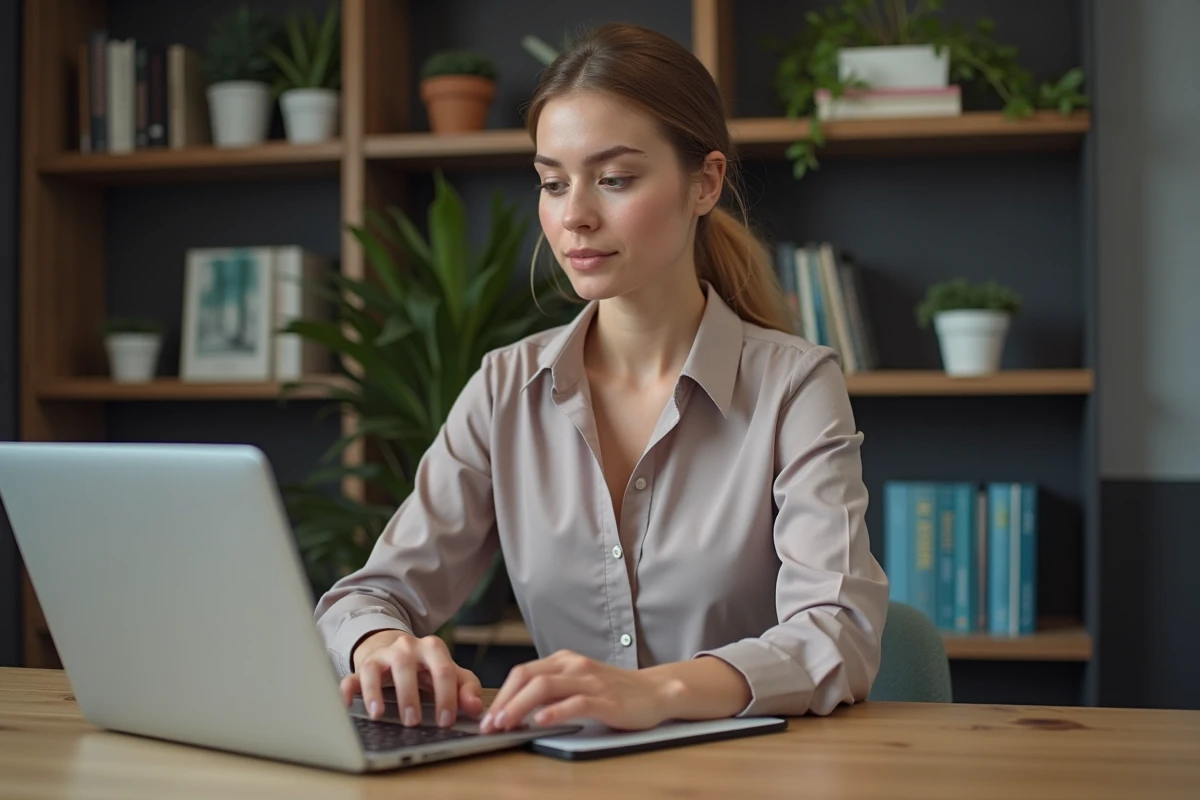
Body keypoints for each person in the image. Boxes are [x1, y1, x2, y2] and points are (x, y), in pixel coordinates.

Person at [314, 22, 889, 735]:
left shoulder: (795, 386)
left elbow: (839, 631)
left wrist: (658, 692)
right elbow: (368, 595)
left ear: (704, 183)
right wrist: (383, 644)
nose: (574, 217)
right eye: (553, 183)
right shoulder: (505, 388)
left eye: (614, 179)